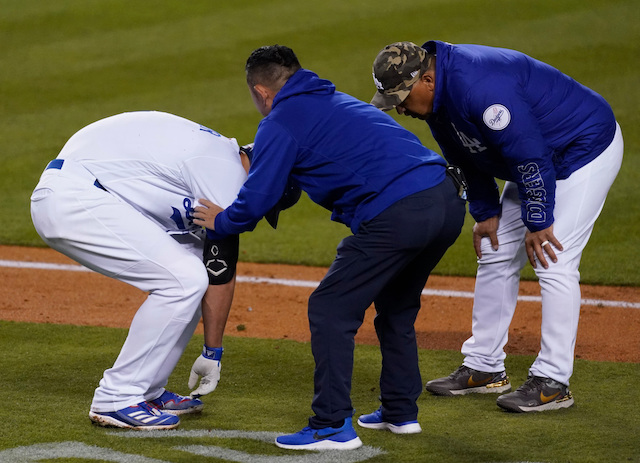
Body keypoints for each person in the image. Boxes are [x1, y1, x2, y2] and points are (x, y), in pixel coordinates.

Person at [192, 44, 466, 450]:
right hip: (446, 200)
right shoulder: (332, 99)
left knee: (330, 308)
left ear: (261, 92)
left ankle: (331, 425)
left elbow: (257, 199)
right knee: (397, 306)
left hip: (401, 211)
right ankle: (399, 412)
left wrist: (223, 220)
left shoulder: (281, 121)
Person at [370, 41, 623, 412]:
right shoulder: (437, 97)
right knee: (495, 248)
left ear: (427, 78)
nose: (401, 108)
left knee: (552, 259)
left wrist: (538, 220)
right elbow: (462, 151)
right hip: (535, 158)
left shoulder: (481, 88)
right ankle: (484, 365)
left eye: (403, 97)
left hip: (581, 148)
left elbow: (529, 154)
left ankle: (553, 381)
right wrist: (486, 210)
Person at [30, 111, 253, 430]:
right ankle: (115, 398)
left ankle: (146, 389)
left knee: (190, 266)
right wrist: (212, 352)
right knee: (183, 279)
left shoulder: (222, 167)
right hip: (74, 195)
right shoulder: (227, 171)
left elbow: (211, 259)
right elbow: (223, 265)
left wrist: (212, 351)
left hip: (94, 192)